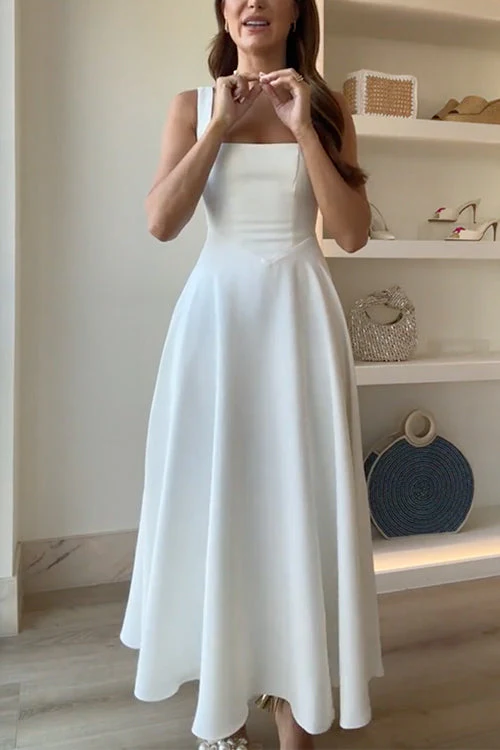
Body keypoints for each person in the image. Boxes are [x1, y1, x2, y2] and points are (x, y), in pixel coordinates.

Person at [120, 1, 384, 748]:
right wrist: (218, 128)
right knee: (221, 498)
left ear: (297, 11)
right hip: (218, 325)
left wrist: (303, 128)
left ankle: (296, 707)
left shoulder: (327, 110)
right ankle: (225, 715)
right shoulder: (190, 106)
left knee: (299, 501)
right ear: (223, 11)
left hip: (300, 320)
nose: (252, 2)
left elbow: (352, 233)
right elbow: (161, 221)